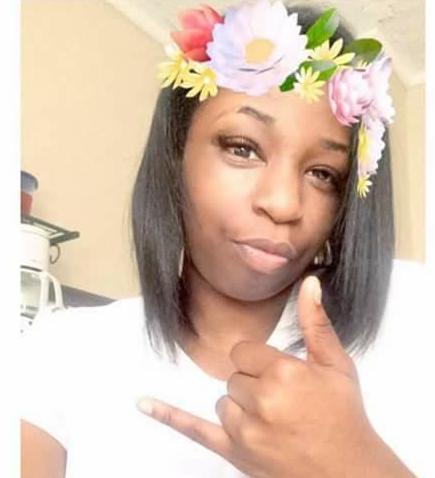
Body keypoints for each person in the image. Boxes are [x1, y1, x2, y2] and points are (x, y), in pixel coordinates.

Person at [21, 1, 431, 477]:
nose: (283, 203)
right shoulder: (63, 352)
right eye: (243, 148)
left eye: (323, 174)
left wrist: (354, 464)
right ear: (175, 157)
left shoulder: (417, 314)